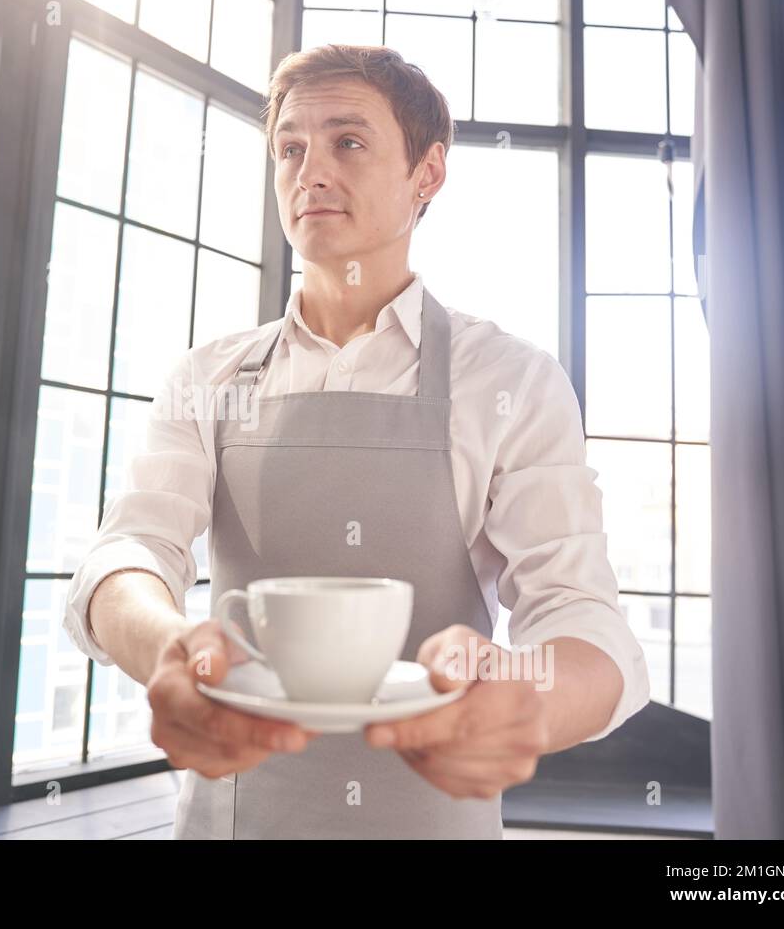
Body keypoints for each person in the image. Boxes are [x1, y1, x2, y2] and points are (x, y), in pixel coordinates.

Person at [64, 44, 650, 839]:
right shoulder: (210, 376)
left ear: (427, 175)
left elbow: (580, 613)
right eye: (291, 149)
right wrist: (172, 646)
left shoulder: (512, 380)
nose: (311, 171)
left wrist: (527, 704)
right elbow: (126, 552)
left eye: (348, 142)